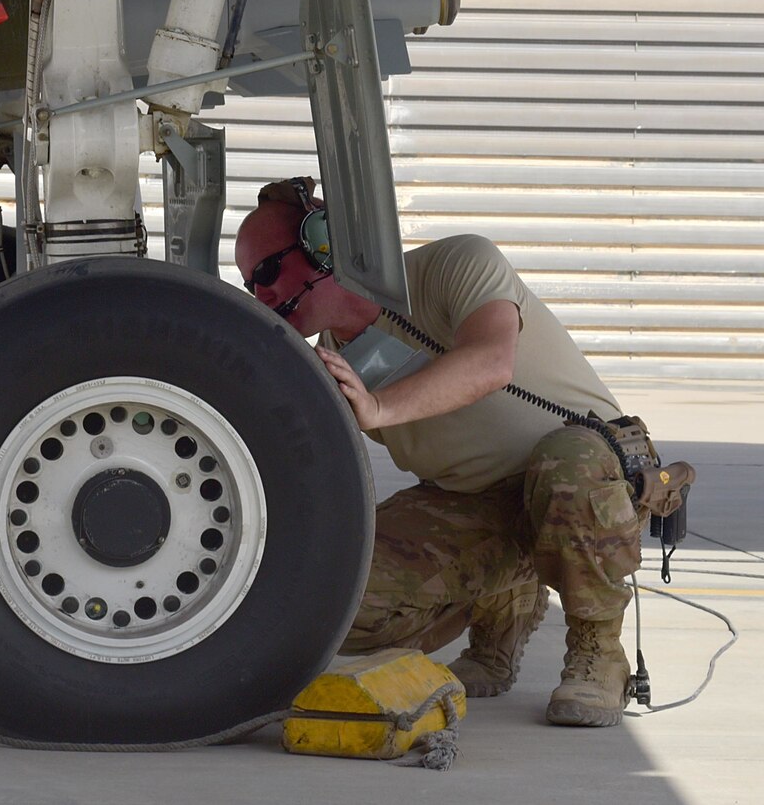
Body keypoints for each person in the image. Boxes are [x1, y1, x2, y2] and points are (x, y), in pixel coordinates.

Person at [234, 177, 642, 727]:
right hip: (478, 503)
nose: (260, 294)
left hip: (593, 473)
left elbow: (492, 361)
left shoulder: (458, 264)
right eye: (247, 282)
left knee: (567, 461)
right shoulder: (331, 362)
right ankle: (503, 600)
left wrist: (378, 408)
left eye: (265, 272)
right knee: (333, 601)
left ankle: (599, 654)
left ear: (321, 243)